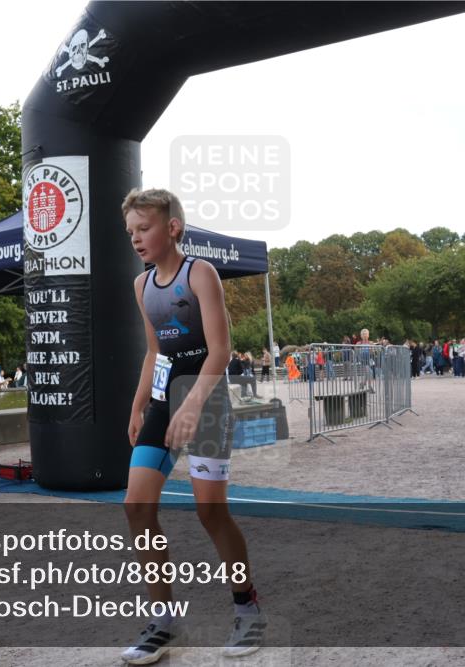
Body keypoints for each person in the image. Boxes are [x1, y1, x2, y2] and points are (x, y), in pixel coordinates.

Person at [121, 188, 264, 663]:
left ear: (172, 228)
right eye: (131, 231)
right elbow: (154, 351)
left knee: (210, 512)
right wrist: (139, 404)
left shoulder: (200, 273)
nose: (136, 238)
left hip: (206, 398)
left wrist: (192, 404)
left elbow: (220, 350)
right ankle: (164, 621)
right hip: (166, 401)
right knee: (136, 506)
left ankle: (247, 608)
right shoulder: (141, 285)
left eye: (144, 228)